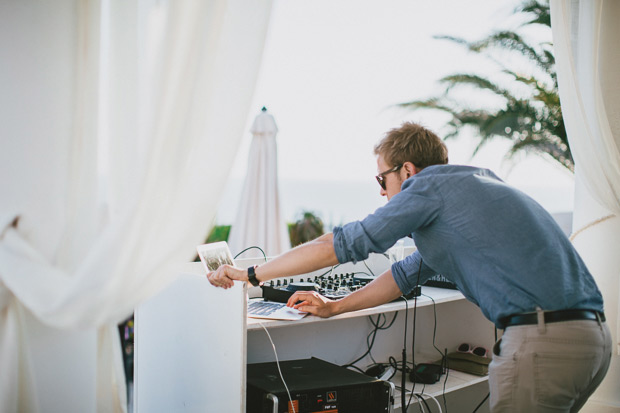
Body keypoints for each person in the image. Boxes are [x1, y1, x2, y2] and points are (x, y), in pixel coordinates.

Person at [208, 122, 612, 412]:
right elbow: (402, 277)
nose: (382, 193)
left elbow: (339, 244)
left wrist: (249, 274)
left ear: (407, 170)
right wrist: (333, 307)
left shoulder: (429, 187)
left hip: (543, 343)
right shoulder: (472, 189)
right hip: (591, 341)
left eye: (381, 180)